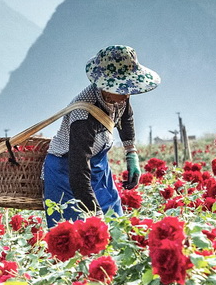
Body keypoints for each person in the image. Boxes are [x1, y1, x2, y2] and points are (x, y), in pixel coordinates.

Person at [42, 45, 160, 226]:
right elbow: (79, 170)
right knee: (75, 231)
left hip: (97, 163)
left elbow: (126, 117)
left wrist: (131, 152)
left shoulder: (119, 96)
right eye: (122, 88)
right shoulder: (83, 115)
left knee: (114, 221)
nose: (127, 93)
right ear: (105, 85)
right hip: (66, 169)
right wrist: (93, 212)